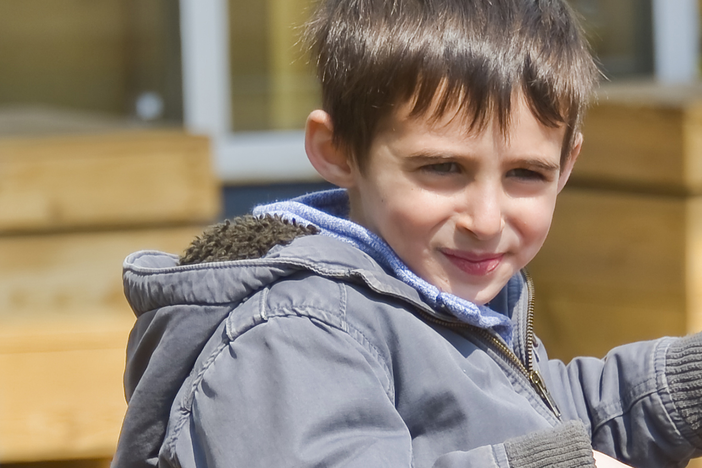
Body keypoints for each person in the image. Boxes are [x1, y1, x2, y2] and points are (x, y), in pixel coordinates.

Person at [112, 1, 702, 467]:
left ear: (566, 165)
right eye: (443, 168)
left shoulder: (433, 294)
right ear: (338, 150)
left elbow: (544, 418)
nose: (486, 219)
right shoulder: (293, 333)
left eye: (526, 174)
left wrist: (686, 387)